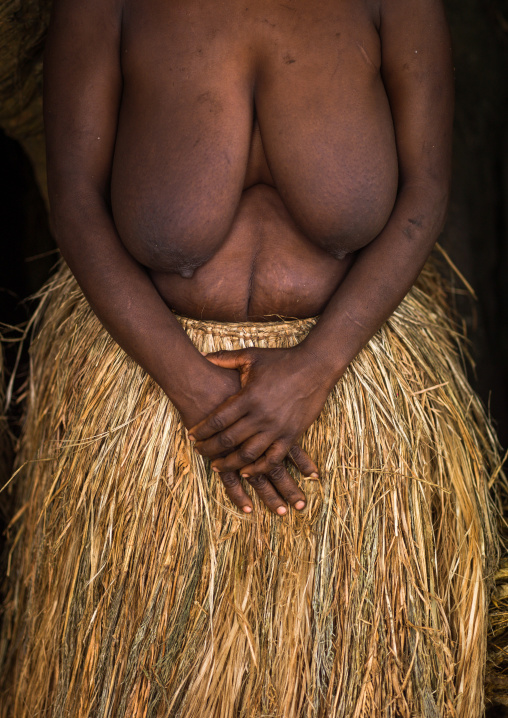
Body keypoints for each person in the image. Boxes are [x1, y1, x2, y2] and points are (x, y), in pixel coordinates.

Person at [0, 0, 502, 715]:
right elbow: (76, 205)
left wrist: (317, 366)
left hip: (354, 386)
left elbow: (425, 193)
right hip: (151, 392)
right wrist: (191, 386)